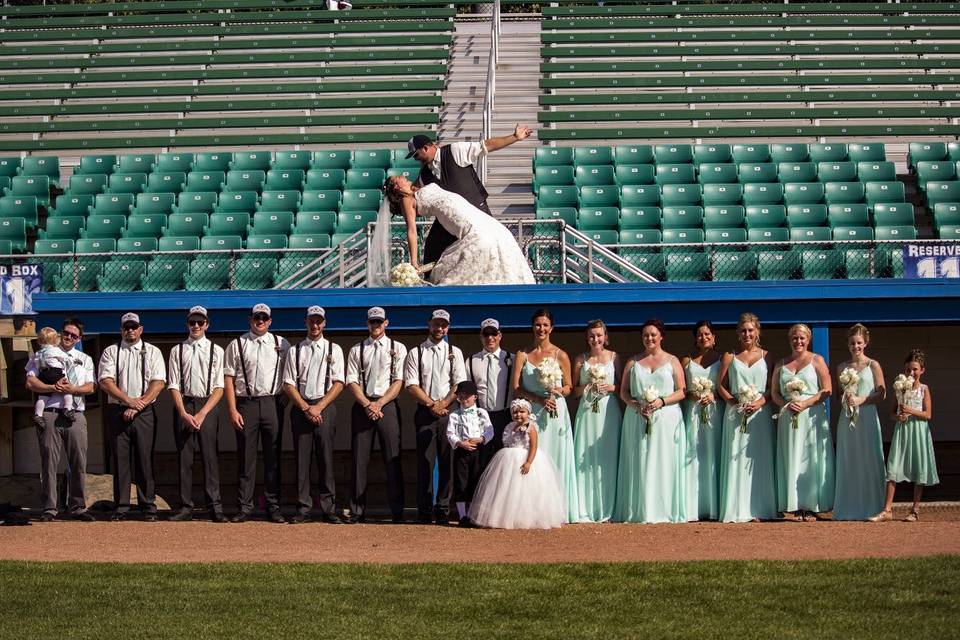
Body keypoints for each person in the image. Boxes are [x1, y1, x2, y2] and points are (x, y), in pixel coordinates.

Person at [405, 125, 533, 269]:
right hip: (450, 220)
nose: (416, 159)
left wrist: (514, 137)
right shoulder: (424, 174)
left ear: (425, 148)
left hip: (477, 213)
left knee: (492, 248)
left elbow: (487, 145)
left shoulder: (455, 150)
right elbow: (411, 191)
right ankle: (431, 284)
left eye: (416, 155)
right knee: (432, 248)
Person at [375, 176, 536, 286]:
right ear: (397, 186)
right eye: (399, 178)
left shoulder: (416, 188)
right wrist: (414, 262)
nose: (404, 177)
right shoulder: (406, 200)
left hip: (475, 216)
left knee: (495, 235)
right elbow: (411, 230)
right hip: (465, 222)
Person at [613, 318, 687, 524]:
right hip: (637, 418)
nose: (649, 338)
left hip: (666, 419)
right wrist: (636, 406)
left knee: (663, 461)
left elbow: (682, 391)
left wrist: (662, 401)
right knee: (641, 459)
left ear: (661, 336)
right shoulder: (633, 362)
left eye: (653, 334)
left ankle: (663, 509)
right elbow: (624, 391)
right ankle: (640, 509)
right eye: (645, 335)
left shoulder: (672, 361)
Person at [223, 303, 290, 524]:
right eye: (256, 317)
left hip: (273, 402)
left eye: (264, 317)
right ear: (250, 319)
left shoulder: (282, 344)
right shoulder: (237, 344)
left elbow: (289, 377)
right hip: (246, 404)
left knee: (273, 457)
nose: (260, 320)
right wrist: (232, 409)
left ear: (270, 321)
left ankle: (273, 506)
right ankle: (244, 506)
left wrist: (283, 403)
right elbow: (229, 379)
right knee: (246, 458)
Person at [512, 308, 581, 523]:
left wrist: (559, 391)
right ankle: (533, 510)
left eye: (545, 325)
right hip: (533, 413)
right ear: (532, 327)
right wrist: (539, 399)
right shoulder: (522, 354)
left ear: (551, 328)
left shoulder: (561, 355)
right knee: (534, 457)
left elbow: (569, 386)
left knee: (556, 457)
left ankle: (558, 510)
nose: (541, 328)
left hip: (555, 413)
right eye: (537, 324)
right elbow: (516, 388)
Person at [25, 317, 96, 522]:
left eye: (74, 335)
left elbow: (90, 387)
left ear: (79, 338)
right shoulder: (43, 355)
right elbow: (30, 382)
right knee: (48, 461)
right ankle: (49, 508)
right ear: (59, 334)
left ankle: (77, 506)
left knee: (78, 462)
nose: (68, 337)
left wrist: (71, 389)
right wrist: (51, 388)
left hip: (76, 413)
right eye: (66, 333)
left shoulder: (84, 358)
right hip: (49, 412)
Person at [98, 312, 167, 522]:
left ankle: (148, 506)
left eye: (133, 327)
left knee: (145, 459)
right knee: (120, 460)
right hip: (119, 411)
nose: (130, 330)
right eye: (126, 327)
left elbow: (158, 383)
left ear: (141, 329)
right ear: (121, 330)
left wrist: (137, 406)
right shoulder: (111, 351)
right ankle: (122, 506)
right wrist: (128, 401)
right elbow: (105, 381)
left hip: (144, 412)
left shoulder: (153, 351)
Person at [282, 305, 345, 524]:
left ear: (324, 323)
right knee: (302, 459)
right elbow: (288, 384)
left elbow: (338, 383)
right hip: (302, 408)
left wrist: (319, 407)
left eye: (319, 321)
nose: (315, 325)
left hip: (325, 406)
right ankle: (303, 507)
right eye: (312, 321)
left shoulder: (334, 349)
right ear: (306, 322)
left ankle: (329, 508)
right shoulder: (295, 350)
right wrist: (306, 408)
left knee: (326, 458)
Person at [345, 306, 408, 523]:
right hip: (363, 405)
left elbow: (399, 381)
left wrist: (379, 403)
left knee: (392, 458)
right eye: (372, 322)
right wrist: (367, 404)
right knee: (359, 460)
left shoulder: (398, 348)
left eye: (379, 322)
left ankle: (397, 511)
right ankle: (357, 511)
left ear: (386, 323)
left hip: (387, 405)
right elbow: (351, 381)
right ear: (367, 323)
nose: (376, 326)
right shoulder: (357, 349)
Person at [404, 309, 467, 524]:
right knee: (425, 462)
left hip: (448, 412)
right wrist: (432, 404)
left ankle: (442, 509)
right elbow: (411, 385)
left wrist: (443, 404)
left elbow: (459, 384)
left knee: (448, 460)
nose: (439, 328)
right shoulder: (416, 352)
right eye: (436, 324)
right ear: (429, 324)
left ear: (448, 327)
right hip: (425, 411)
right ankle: (424, 509)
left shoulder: (455, 352)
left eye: (443, 325)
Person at [716, 312, 777, 523]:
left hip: (760, 414)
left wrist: (760, 402)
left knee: (758, 458)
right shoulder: (729, 357)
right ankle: (736, 508)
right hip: (735, 414)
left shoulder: (767, 356)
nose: (747, 334)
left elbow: (772, 387)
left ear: (757, 331)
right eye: (743, 330)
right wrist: (735, 402)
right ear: (737, 333)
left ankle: (761, 507)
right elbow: (720, 386)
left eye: (751, 330)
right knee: (736, 457)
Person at [167, 306, 226, 523]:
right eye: (193, 322)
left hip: (206, 406)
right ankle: (185, 506)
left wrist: (202, 413)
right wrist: (182, 412)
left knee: (210, 458)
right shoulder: (177, 350)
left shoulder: (216, 351)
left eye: (200, 322)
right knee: (185, 458)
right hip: (184, 404)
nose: (196, 326)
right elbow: (173, 384)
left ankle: (214, 506)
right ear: (187, 324)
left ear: (207, 324)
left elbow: (219, 387)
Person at [469, 399, 566, 530]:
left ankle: (526, 517)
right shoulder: (510, 426)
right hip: (509, 460)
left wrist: (528, 462)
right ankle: (504, 517)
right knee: (507, 488)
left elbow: (533, 446)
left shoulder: (531, 427)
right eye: (515, 412)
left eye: (522, 412)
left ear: (528, 412)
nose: (518, 415)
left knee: (525, 490)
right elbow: (508, 442)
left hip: (525, 459)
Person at [771, 323, 835, 521]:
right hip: (788, 418)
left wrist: (805, 403)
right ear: (790, 340)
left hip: (811, 417)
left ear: (808, 340)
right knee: (792, 457)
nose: (798, 341)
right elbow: (774, 393)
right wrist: (786, 404)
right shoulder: (781, 365)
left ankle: (812, 505)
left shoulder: (817, 360)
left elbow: (827, 390)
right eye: (794, 338)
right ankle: (795, 505)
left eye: (802, 338)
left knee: (810, 458)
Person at [871, 349, 939, 522]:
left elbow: (928, 414)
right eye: (908, 369)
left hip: (919, 431)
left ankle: (915, 509)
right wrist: (898, 417)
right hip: (902, 431)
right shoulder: (899, 389)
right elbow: (892, 413)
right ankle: (887, 509)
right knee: (893, 466)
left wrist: (911, 411)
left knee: (919, 467)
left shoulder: (924, 389)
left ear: (922, 370)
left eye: (915, 369)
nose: (911, 373)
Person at [833, 324, 887, 521]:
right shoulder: (841, 367)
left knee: (868, 458)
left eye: (859, 343)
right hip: (847, 418)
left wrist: (862, 400)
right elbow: (839, 394)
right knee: (850, 459)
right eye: (852, 343)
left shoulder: (873, 365)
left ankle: (872, 506)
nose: (856, 346)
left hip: (867, 417)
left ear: (866, 343)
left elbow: (882, 393)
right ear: (848, 344)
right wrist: (846, 398)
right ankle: (848, 507)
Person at [572, 319, 621, 523]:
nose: (595, 339)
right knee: (585, 457)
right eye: (592, 335)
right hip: (587, 414)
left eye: (599, 335)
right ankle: (586, 508)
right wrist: (588, 388)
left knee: (607, 458)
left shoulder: (615, 357)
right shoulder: (580, 360)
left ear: (605, 337)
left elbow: (623, 388)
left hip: (608, 413)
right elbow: (573, 391)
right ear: (587, 337)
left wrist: (610, 387)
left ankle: (608, 506)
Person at [681, 320, 724, 521]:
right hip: (693, 412)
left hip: (715, 412)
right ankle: (694, 507)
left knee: (714, 454)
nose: (704, 337)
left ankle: (716, 506)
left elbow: (727, 386)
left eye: (707, 334)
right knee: (693, 455)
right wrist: (694, 395)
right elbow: (682, 390)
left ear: (714, 338)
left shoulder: (723, 359)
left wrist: (714, 395)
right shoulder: (686, 361)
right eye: (700, 335)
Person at [464, 318, 513, 467]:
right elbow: (466, 390)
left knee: (503, 461)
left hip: (505, 416)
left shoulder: (512, 359)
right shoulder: (471, 361)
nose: (490, 338)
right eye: (486, 334)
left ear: (500, 335)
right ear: (481, 336)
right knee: (480, 462)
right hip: (480, 417)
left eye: (493, 334)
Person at [446, 380, 494, 527]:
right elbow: (450, 433)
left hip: (477, 451)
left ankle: (475, 515)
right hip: (461, 451)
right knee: (461, 482)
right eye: (461, 397)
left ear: (475, 397)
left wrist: (481, 439)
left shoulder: (481, 413)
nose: (464, 399)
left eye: (468, 396)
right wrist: (461, 443)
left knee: (476, 480)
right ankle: (462, 516)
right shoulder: (454, 415)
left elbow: (489, 430)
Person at [31, 327, 78, 426]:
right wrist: (75, 360)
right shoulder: (54, 350)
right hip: (55, 373)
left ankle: (38, 414)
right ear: (54, 340)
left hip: (42, 375)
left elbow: (29, 367)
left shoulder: (37, 353)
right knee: (66, 389)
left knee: (43, 396)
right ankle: (68, 408)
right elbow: (65, 358)